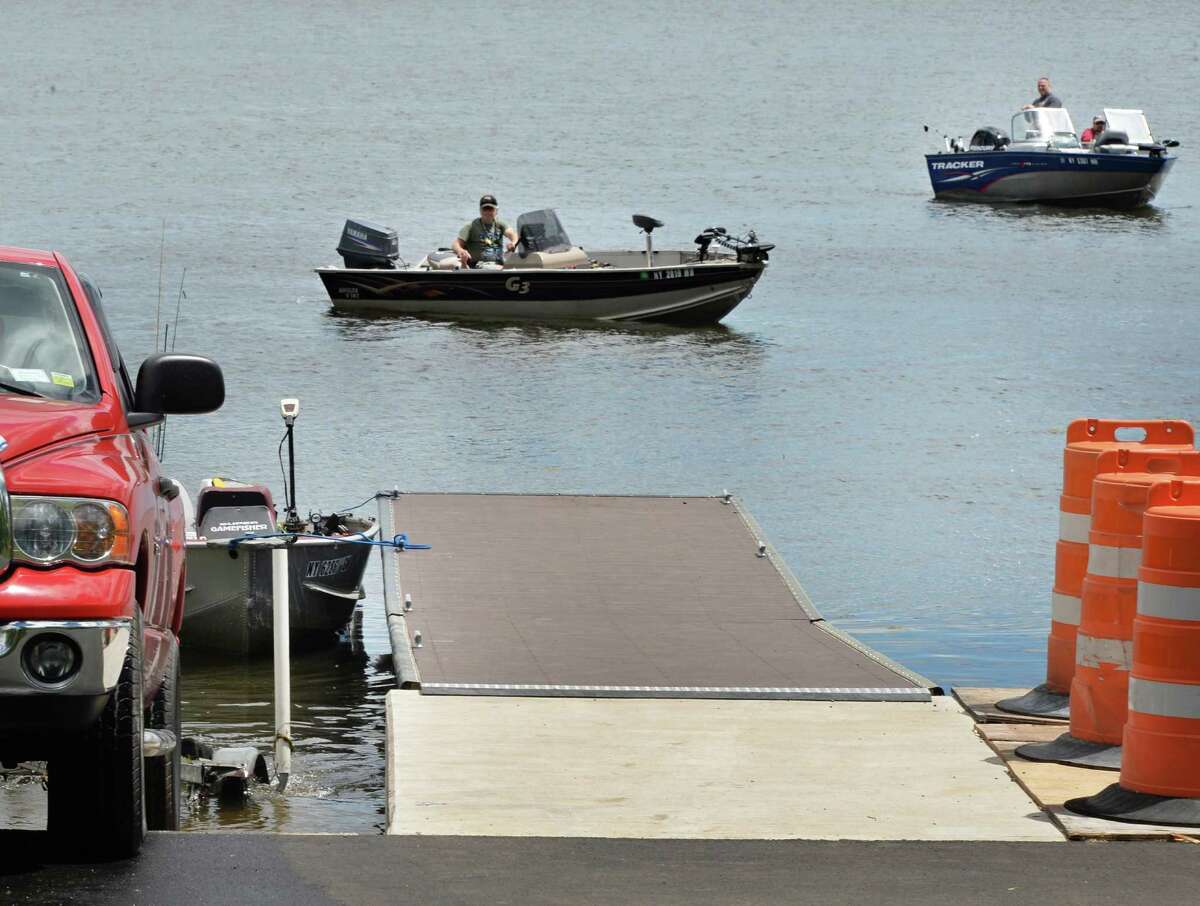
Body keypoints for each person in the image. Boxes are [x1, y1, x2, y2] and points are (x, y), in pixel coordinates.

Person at [453, 195, 519, 268]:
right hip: (480, 264)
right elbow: (456, 243)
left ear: (496, 210)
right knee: (503, 269)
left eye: (490, 209)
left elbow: (513, 235)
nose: (487, 212)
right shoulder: (471, 226)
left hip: (499, 261)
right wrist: (460, 251)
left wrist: (513, 243)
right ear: (480, 210)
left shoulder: (500, 224)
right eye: (485, 209)